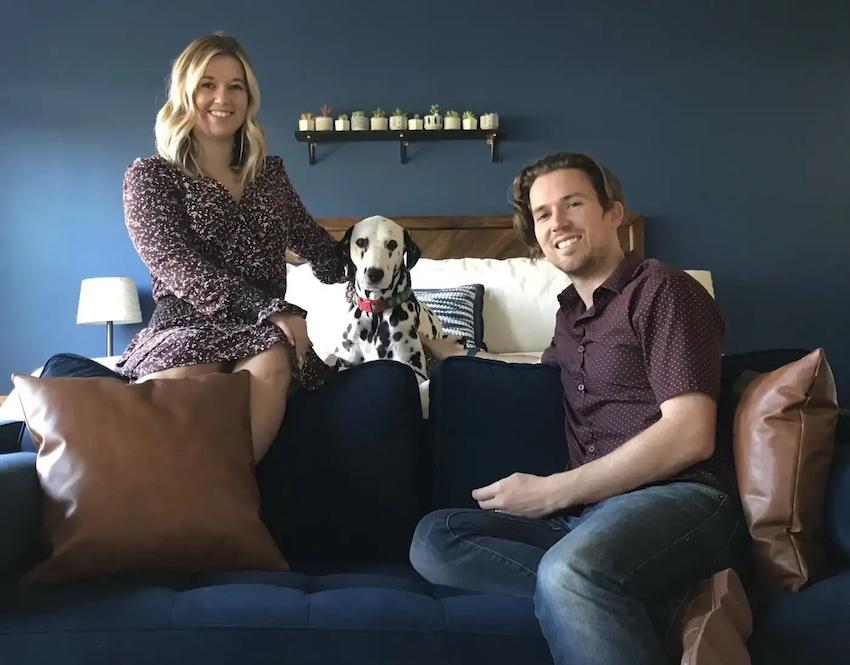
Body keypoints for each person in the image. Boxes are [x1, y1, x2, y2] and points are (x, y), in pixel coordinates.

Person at [410, 153, 748, 664]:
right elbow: (532, 370)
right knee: (436, 539)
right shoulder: (569, 316)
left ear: (613, 213)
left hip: (681, 500)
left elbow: (690, 433)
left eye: (573, 204)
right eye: (543, 214)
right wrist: (442, 348)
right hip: (592, 517)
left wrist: (553, 491)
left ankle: (587, 584)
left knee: (572, 570)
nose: (558, 223)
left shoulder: (664, 289)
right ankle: (652, 601)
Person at [116, 34, 344, 462]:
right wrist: (270, 308)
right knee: (191, 369)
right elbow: (176, 264)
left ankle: (227, 504)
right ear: (186, 92)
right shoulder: (151, 177)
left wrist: (373, 253)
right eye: (208, 84)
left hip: (265, 336)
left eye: (235, 86)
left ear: (249, 97)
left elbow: (319, 250)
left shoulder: (269, 175)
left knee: (273, 355)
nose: (223, 97)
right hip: (186, 324)